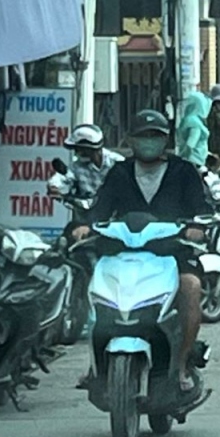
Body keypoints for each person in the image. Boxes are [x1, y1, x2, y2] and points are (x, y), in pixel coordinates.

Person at [74, 110, 211, 392]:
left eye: (155, 136)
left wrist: (197, 226)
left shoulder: (184, 171)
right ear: (130, 140)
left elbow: (204, 209)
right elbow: (100, 208)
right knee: (95, 287)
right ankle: (96, 361)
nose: (149, 141)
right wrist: (85, 226)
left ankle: (183, 362)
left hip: (173, 252)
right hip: (123, 252)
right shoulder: (119, 172)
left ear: (166, 140)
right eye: (143, 135)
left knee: (191, 287)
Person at [51, 124, 124, 221]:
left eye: (80, 149)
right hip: (85, 220)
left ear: (90, 148)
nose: (77, 153)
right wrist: (55, 188)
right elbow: (64, 179)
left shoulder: (118, 163)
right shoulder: (76, 167)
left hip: (116, 220)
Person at [176, 90, 212, 169]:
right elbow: (190, 144)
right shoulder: (194, 122)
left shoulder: (187, 119)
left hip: (192, 160)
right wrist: (181, 157)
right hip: (195, 161)